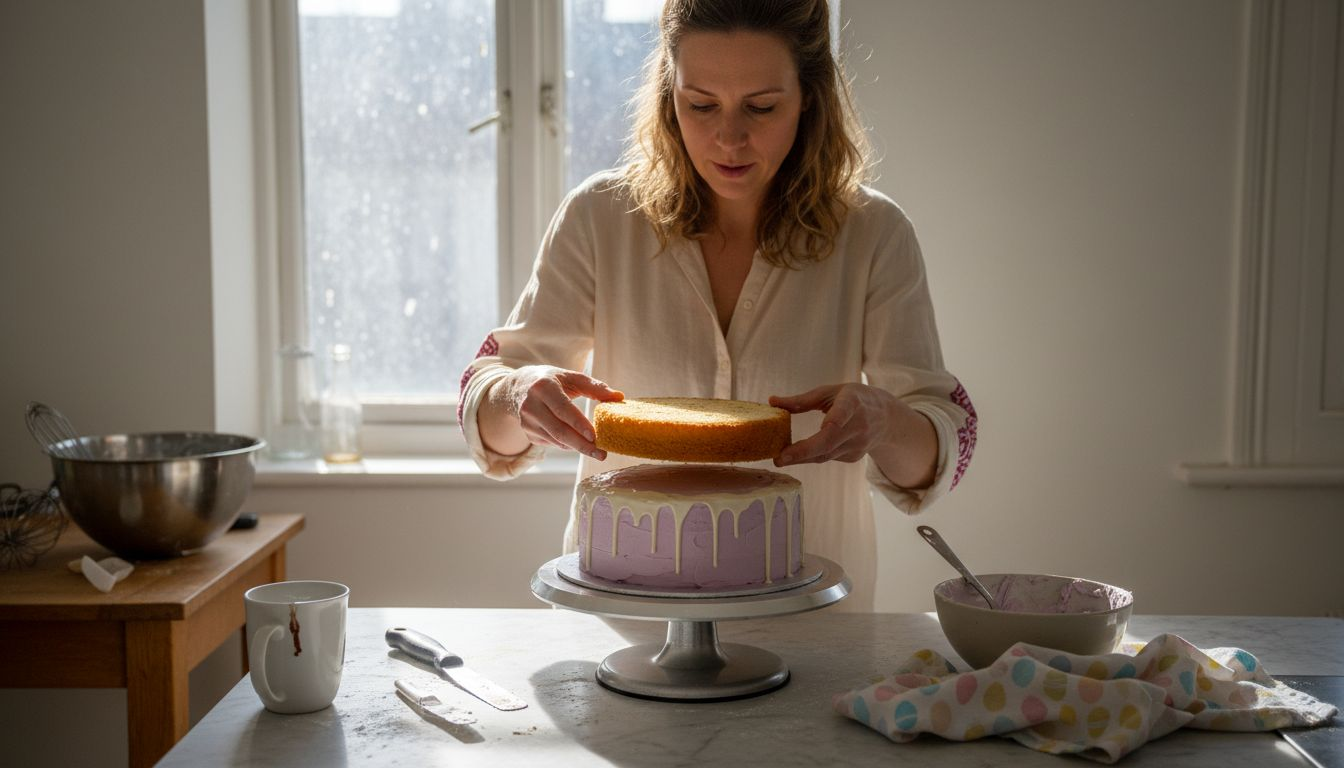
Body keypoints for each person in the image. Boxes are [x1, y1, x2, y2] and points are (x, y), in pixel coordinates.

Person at [458, 0, 976, 611]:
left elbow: (938, 450)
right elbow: (489, 406)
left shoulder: (874, 233)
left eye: (762, 106)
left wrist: (886, 422)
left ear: (810, 96)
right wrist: (515, 396)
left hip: (816, 636)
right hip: (626, 627)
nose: (729, 137)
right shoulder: (599, 217)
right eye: (700, 104)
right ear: (667, 92)